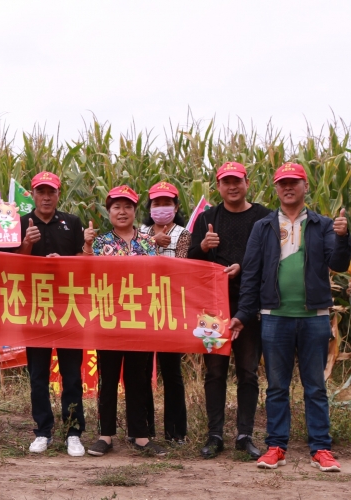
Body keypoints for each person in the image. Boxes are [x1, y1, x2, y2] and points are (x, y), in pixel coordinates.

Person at [231, 162, 351, 472]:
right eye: (282, 182)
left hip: (314, 315)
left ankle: (321, 449)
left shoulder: (322, 224)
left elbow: (338, 263)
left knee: (314, 386)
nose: (288, 187)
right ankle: (276, 447)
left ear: (305, 186)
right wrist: (245, 313)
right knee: (276, 387)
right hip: (275, 316)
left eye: (294, 182)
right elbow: (252, 274)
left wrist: (343, 237)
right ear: (276, 188)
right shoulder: (264, 227)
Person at [187, 162, 271, 460]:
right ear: (218, 186)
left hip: (249, 306)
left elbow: (271, 258)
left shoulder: (263, 217)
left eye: (237, 181)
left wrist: (243, 269)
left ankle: (245, 434)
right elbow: (190, 260)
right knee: (215, 371)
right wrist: (204, 247)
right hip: (212, 309)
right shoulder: (208, 218)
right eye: (226, 182)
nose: (232, 186)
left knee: (248, 371)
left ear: (247, 182)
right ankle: (215, 434)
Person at [82, 185, 166, 457]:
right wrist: (85, 246)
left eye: (127, 206)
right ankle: (105, 435)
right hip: (108, 319)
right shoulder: (99, 242)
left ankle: (140, 435)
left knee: (138, 378)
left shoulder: (148, 242)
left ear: (134, 211)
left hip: (140, 320)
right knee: (107, 379)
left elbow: (158, 277)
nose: (122, 211)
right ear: (109, 212)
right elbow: (83, 271)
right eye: (116, 207)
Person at [14, 171, 86, 457]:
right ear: (33, 194)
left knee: (71, 375)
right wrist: (27, 243)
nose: (46, 196)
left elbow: (85, 262)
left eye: (51, 192)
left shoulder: (72, 222)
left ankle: (73, 431)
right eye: (40, 191)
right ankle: (43, 430)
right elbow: (10, 265)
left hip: (69, 309)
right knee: (38, 374)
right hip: (35, 309)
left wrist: (65, 262)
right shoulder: (20, 224)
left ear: (58, 194)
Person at [137, 181, 191, 444]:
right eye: (156, 203)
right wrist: (150, 242)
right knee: (143, 370)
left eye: (166, 203)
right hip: (143, 309)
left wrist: (153, 248)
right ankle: (144, 430)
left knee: (172, 371)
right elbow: (131, 263)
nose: (161, 208)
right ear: (150, 207)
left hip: (171, 309)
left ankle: (176, 432)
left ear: (176, 206)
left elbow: (180, 266)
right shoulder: (140, 232)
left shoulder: (184, 234)